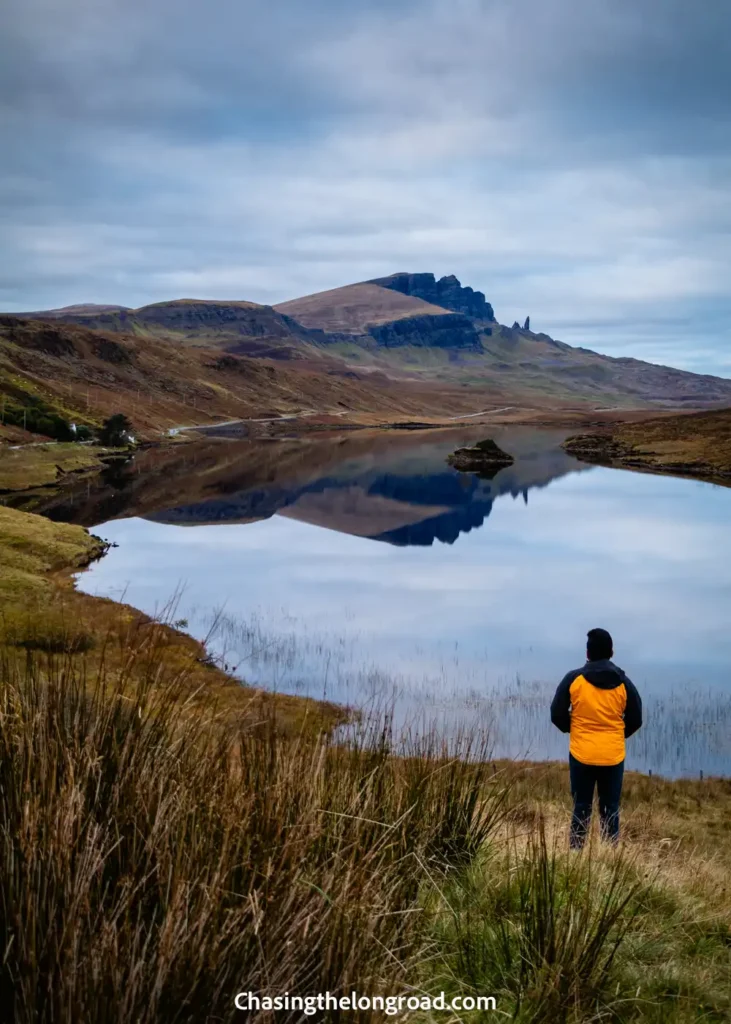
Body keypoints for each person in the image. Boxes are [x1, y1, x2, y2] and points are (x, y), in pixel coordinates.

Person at [550, 628, 642, 848]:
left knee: (581, 806)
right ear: (611, 652)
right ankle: (610, 855)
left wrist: (574, 729)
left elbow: (556, 714)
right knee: (610, 809)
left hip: (582, 754)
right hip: (612, 755)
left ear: (587, 653)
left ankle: (575, 854)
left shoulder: (574, 679)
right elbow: (636, 719)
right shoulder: (624, 683)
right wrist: (617, 735)